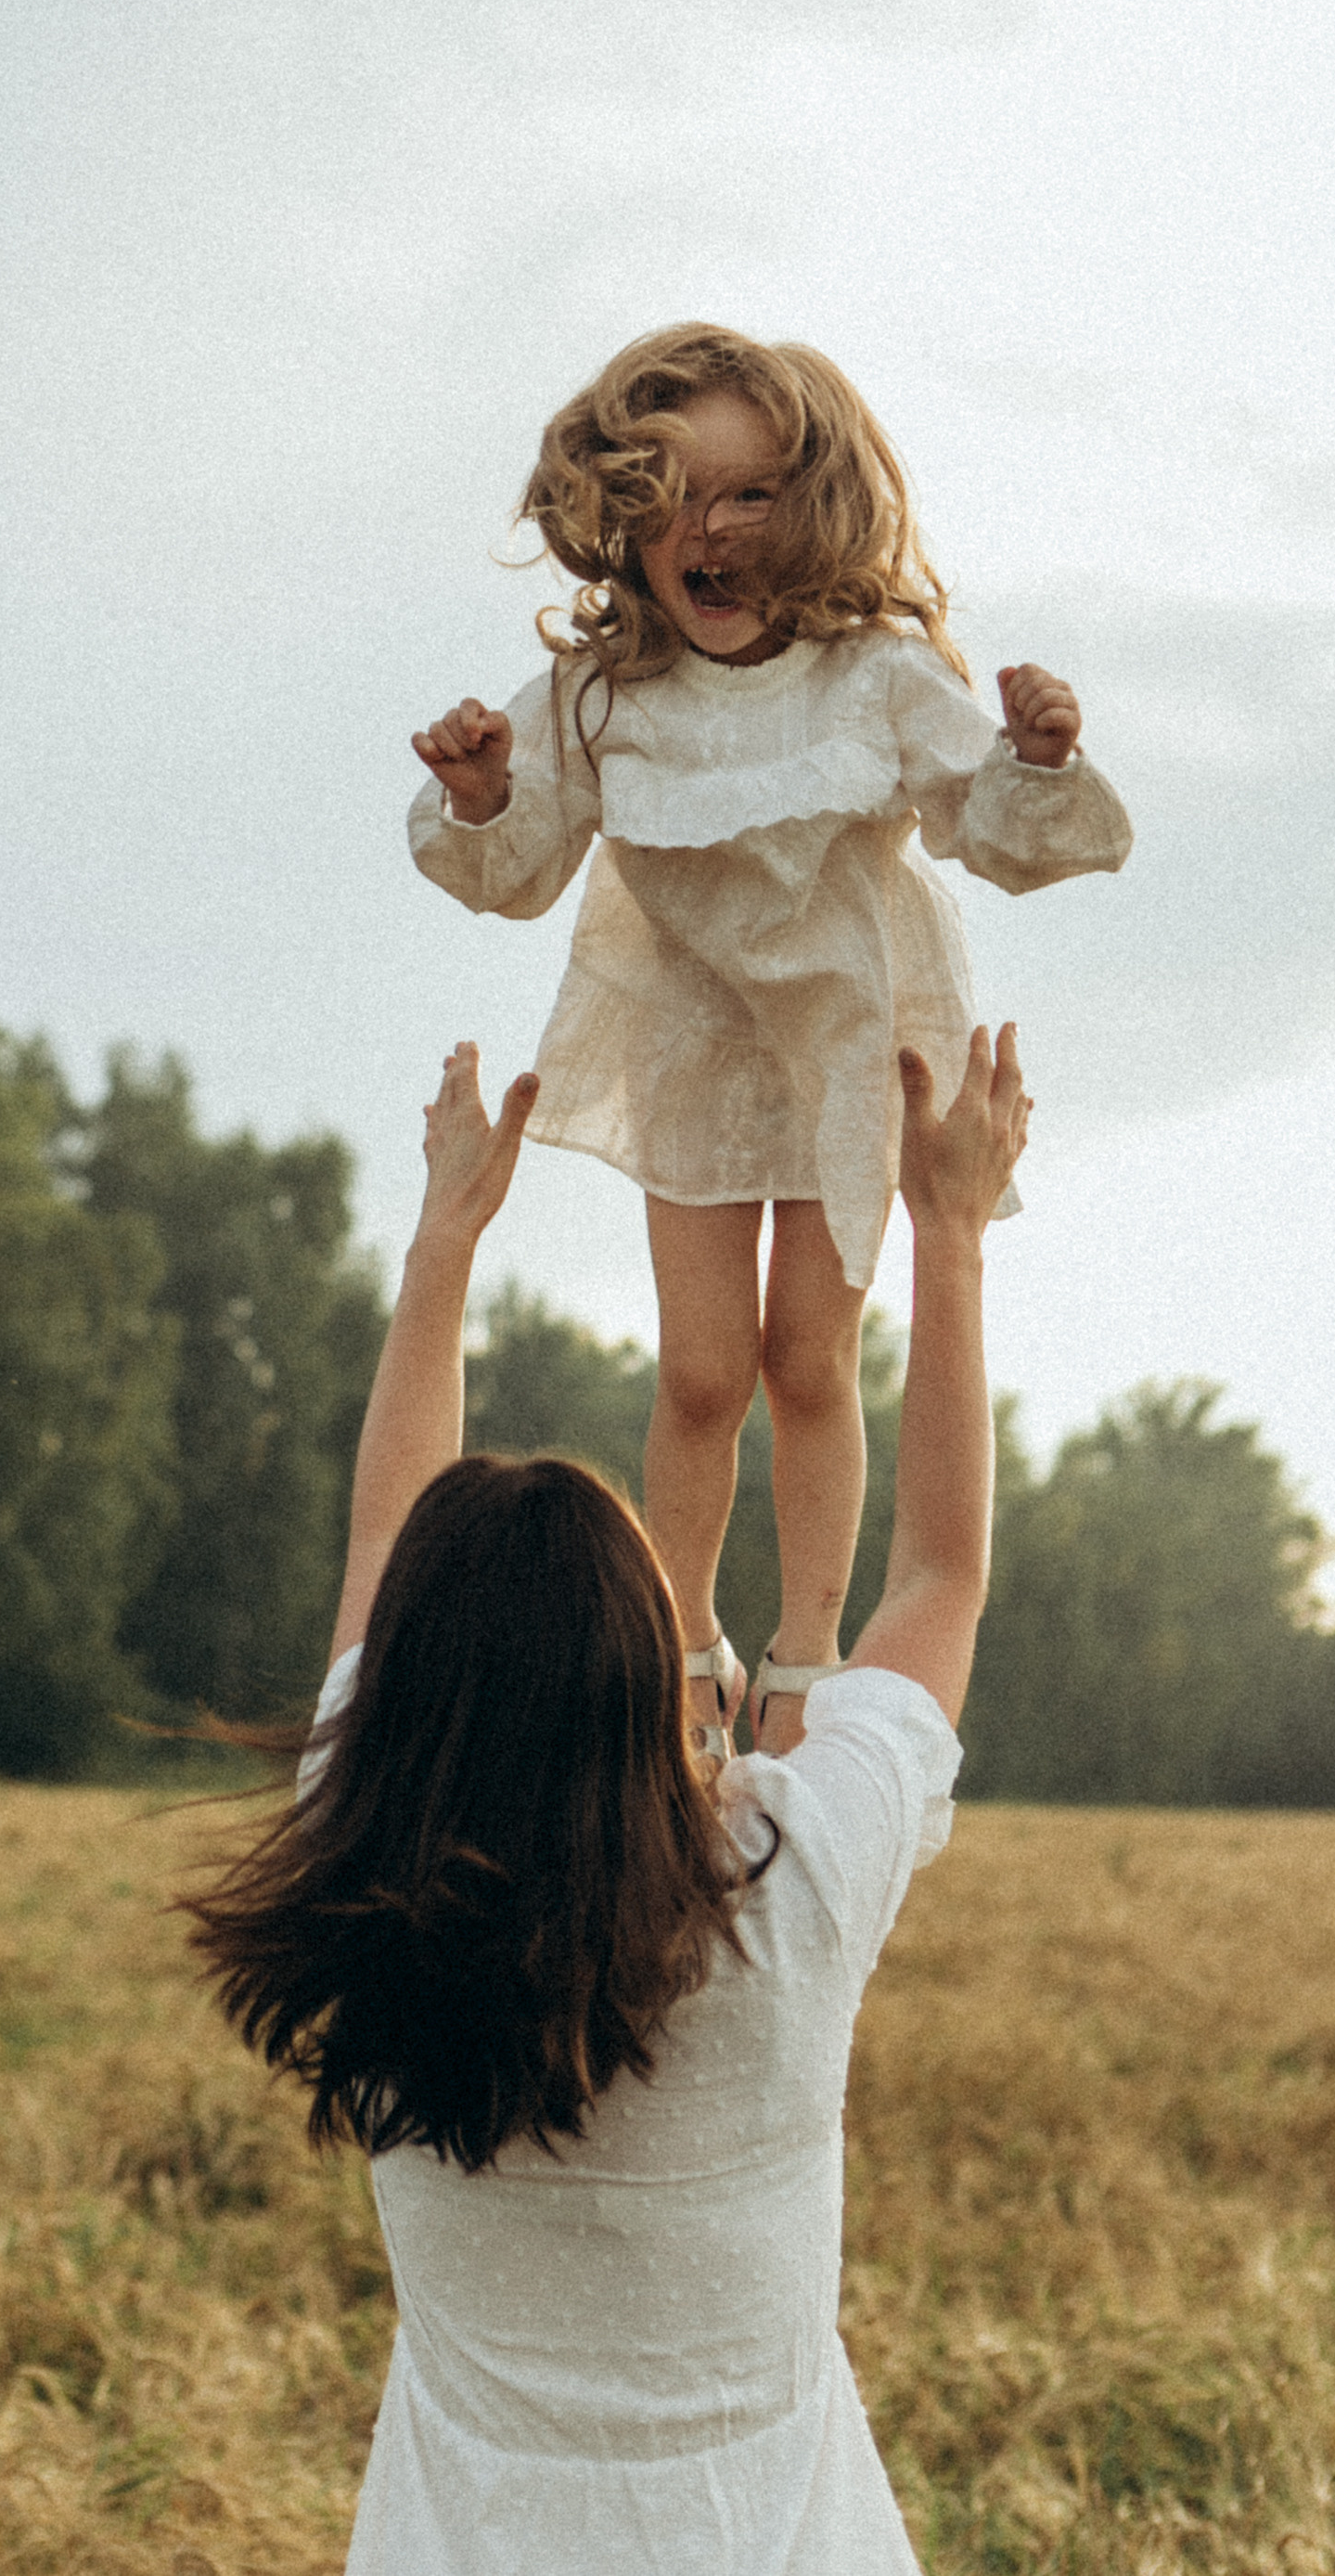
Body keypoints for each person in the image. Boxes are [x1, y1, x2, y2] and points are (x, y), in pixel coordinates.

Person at [185, 1019, 1030, 2574]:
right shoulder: (785, 1877)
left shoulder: (360, 1855)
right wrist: (949, 1233)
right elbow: (940, 1577)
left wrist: (445, 1241)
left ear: (411, 1693)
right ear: (652, 1678)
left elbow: (383, 1549)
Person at [407, 323, 1129, 1757]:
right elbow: (523, 868)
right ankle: (676, 1640)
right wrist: (487, 792)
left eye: (747, 494)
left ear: (815, 505)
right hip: (685, 1023)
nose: (709, 529)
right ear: (616, 522)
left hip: (854, 1027)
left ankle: (804, 1646)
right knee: (698, 1368)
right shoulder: (601, 695)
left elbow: (982, 827)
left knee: (807, 1358)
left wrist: (1030, 760)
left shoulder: (871, 672)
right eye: (669, 498)